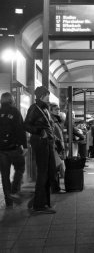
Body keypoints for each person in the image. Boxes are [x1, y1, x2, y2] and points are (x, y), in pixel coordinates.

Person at [24, 86, 56, 214]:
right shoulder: (35, 108)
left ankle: (43, 202)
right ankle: (39, 205)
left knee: (48, 172)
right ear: (42, 96)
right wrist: (40, 131)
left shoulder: (44, 108)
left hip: (46, 142)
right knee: (43, 172)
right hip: (40, 143)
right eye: (47, 95)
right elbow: (26, 124)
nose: (49, 97)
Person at [0, 92, 27, 208]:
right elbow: (20, 129)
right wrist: (24, 145)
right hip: (14, 148)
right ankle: (14, 191)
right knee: (20, 168)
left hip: (1, 150)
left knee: (4, 175)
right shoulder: (15, 112)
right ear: (12, 100)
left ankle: (8, 201)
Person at [49, 103, 66, 193]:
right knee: (55, 167)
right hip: (55, 146)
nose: (58, 111)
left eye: (59, 109)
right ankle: (55, 188)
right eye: (56, 109)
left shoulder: (57, 120)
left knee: (57, 167)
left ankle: (56, 187)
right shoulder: (52, 120)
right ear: (51, 110)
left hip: (58, 145)